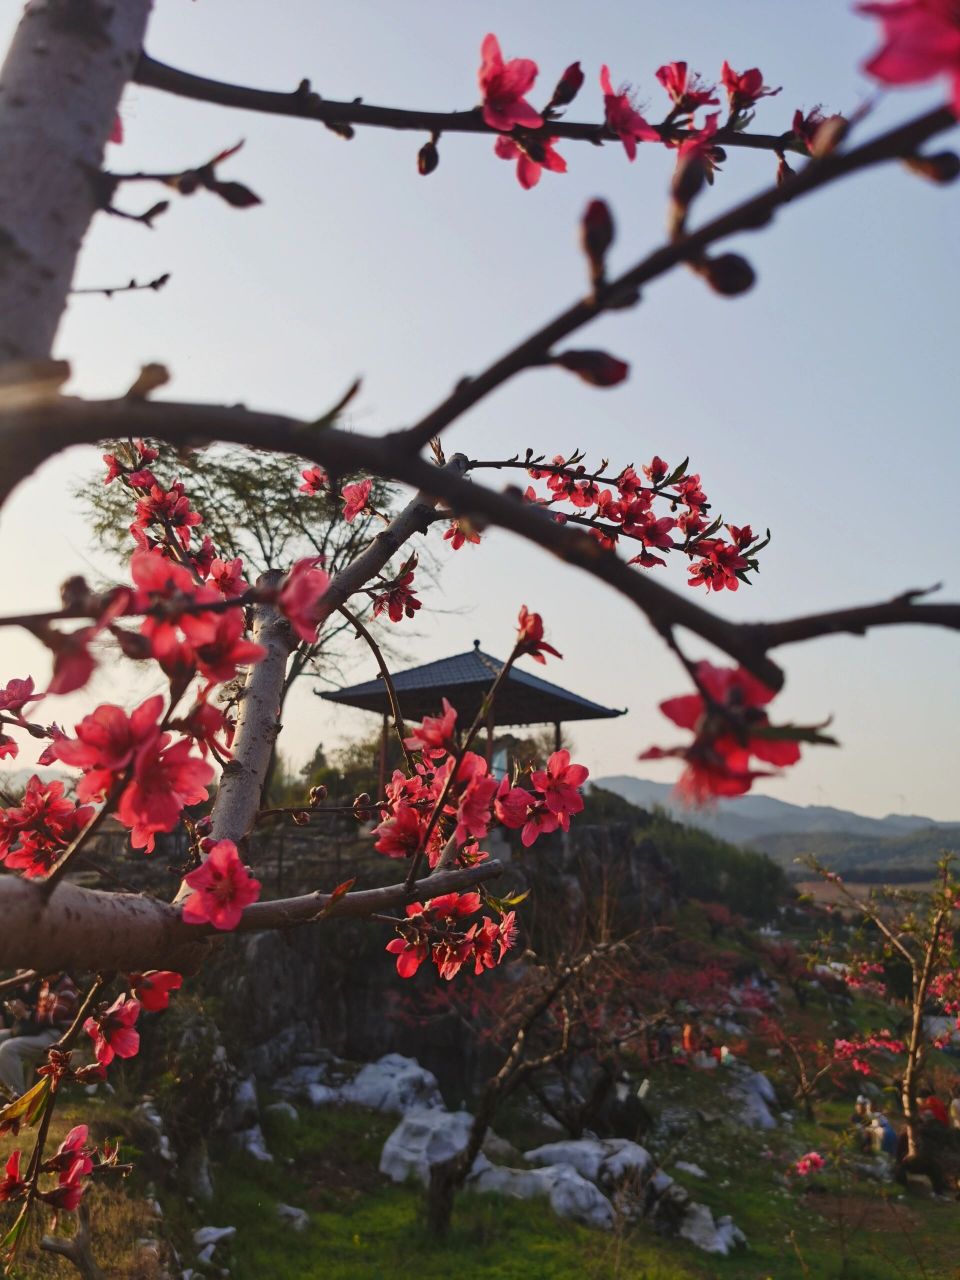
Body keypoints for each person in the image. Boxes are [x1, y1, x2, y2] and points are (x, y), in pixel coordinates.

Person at [0, 973, 78, 1098]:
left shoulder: (66, 988)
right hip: (38, 1030)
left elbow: (54, 1017)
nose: (40, 974)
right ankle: (5, 1090)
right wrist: (24, 1007)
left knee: (8, 1048)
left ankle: (17, 1096)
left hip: (57, 1036)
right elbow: (40, 1010)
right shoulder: (46, 984)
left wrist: (25, 1013)